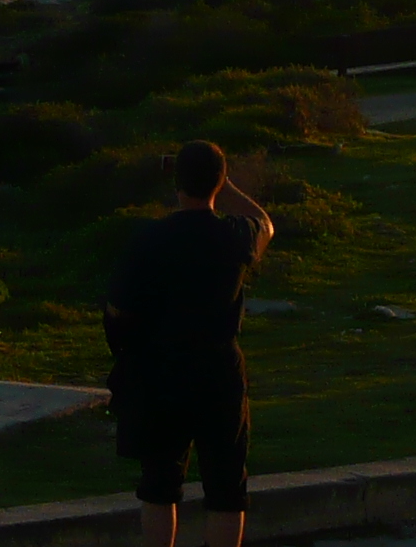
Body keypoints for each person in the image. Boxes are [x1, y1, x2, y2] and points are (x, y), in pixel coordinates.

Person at [108, 139, 276, 547]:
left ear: (176, 183)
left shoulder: (150, 239)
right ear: (218, 182)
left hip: (161, 369)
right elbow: (266, 225)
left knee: (160, 483)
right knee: (225, 487)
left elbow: (119, 312)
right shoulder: (235, 234)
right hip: (219, 370)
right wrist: (226, 185)